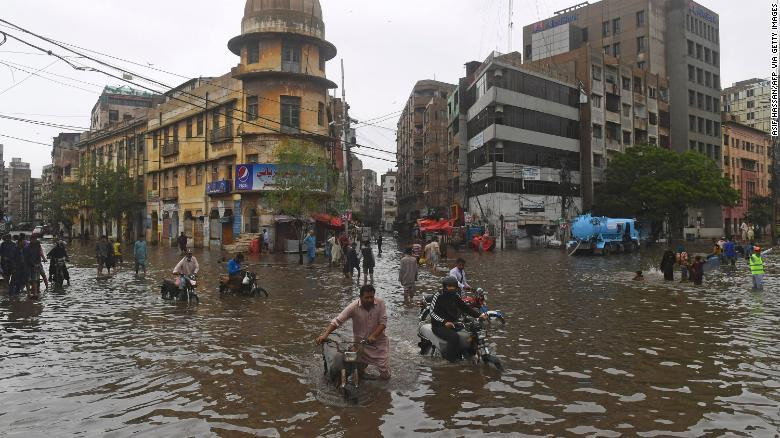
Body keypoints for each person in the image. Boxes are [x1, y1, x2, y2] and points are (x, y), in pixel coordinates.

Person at [316, 284, 390, 380]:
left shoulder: (380, 303)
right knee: (359, 370)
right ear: (360, 297)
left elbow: (383, 323)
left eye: (372, 297)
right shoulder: (353, 307)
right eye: (366, 297)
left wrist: (373, 336)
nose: (370, 300)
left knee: (384, 372)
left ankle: (384, 391)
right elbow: (338, 321)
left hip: (378, 344)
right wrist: (325, 335)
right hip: (360, 344)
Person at [430, 276, 487, 363]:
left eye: (453, 286)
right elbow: (432, 313)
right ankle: (449, 361)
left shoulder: (455, 295)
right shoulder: (438, 295)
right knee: (454, 337)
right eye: (449, 286)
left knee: (470, 334)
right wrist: (444, 322)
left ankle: (469, 355)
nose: (451, 288)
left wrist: (479, 315)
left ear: (456, 287)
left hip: (452, 323)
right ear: (444, 286)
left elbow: (465, 308)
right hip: (438, 325)